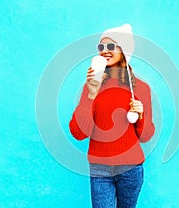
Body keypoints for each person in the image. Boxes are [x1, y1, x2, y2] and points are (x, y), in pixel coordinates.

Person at [69, 24, 155, 208]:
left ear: (124, 50)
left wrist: (140, 116)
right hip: (100, 169)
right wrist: (90, 94)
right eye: (101, 47)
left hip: (131, 168)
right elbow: (78, 132)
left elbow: (146, 136)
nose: (104, 51)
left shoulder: (141, 88)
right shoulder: (91, 86)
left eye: (111, 46)